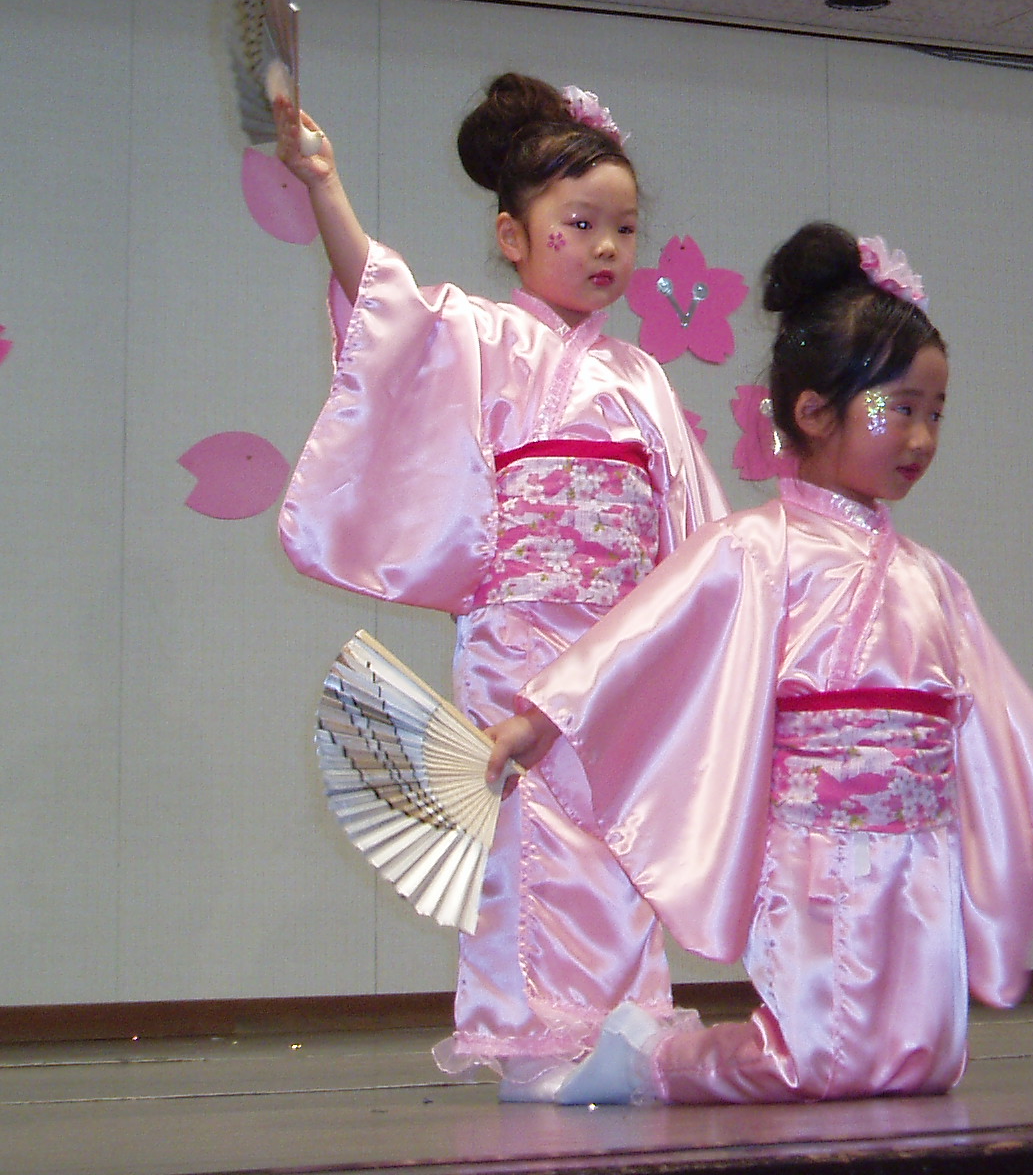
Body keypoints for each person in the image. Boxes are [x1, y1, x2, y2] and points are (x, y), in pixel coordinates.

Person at [489, 223, 1033, 1105]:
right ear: (813, 412)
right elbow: (637, 640)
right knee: (814, 1058)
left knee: (926, 1061)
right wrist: (538, 719)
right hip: (816, 847)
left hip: (920, 847)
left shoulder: (934, 580)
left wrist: (1014, 825)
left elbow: (984, 713)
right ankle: (654, 1059)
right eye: (899, 409)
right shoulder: (756, 547)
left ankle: (701, 1059)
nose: (921, 436)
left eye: (935, 413)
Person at [274, 73, 725, 1096]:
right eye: (580, 224)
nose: (607, 248)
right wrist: (323, 185)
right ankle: (532, 1049)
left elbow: (694, 541)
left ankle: (624, 1032)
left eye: (625, 229)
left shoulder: (643, 379)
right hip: (517, 640)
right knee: (527, 845)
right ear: (512, 237)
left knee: (621, 846)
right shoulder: (483, 338)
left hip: (617, 655)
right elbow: (383, 312)